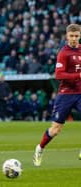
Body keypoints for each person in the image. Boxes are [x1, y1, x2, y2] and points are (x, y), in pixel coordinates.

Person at [33, 24, 81, 166]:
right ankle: (40, 149)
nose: (74, 39)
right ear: (67, 36)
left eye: (76, 36)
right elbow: (59, 75)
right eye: (71, 36)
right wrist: (78, 75)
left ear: (80, 36)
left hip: (80, 93)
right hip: (66, 94)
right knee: (55, 130)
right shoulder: (64, 53)